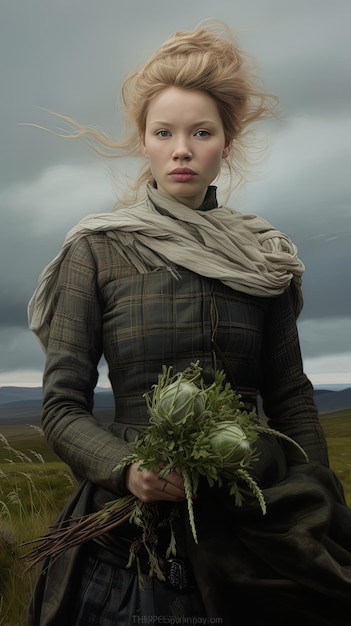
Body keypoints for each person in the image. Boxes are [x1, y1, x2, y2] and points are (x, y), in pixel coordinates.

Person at [27, 20, 351, 626]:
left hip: (256, 515)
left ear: (225, 144)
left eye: (201, 132)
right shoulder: (96, 251)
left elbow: (290, 397)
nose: (182, 149)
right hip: (125, 531)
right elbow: (61, 406)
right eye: (164, 132)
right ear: (145, 144)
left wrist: (318, 511)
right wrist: (127, 471)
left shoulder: (264, 257)